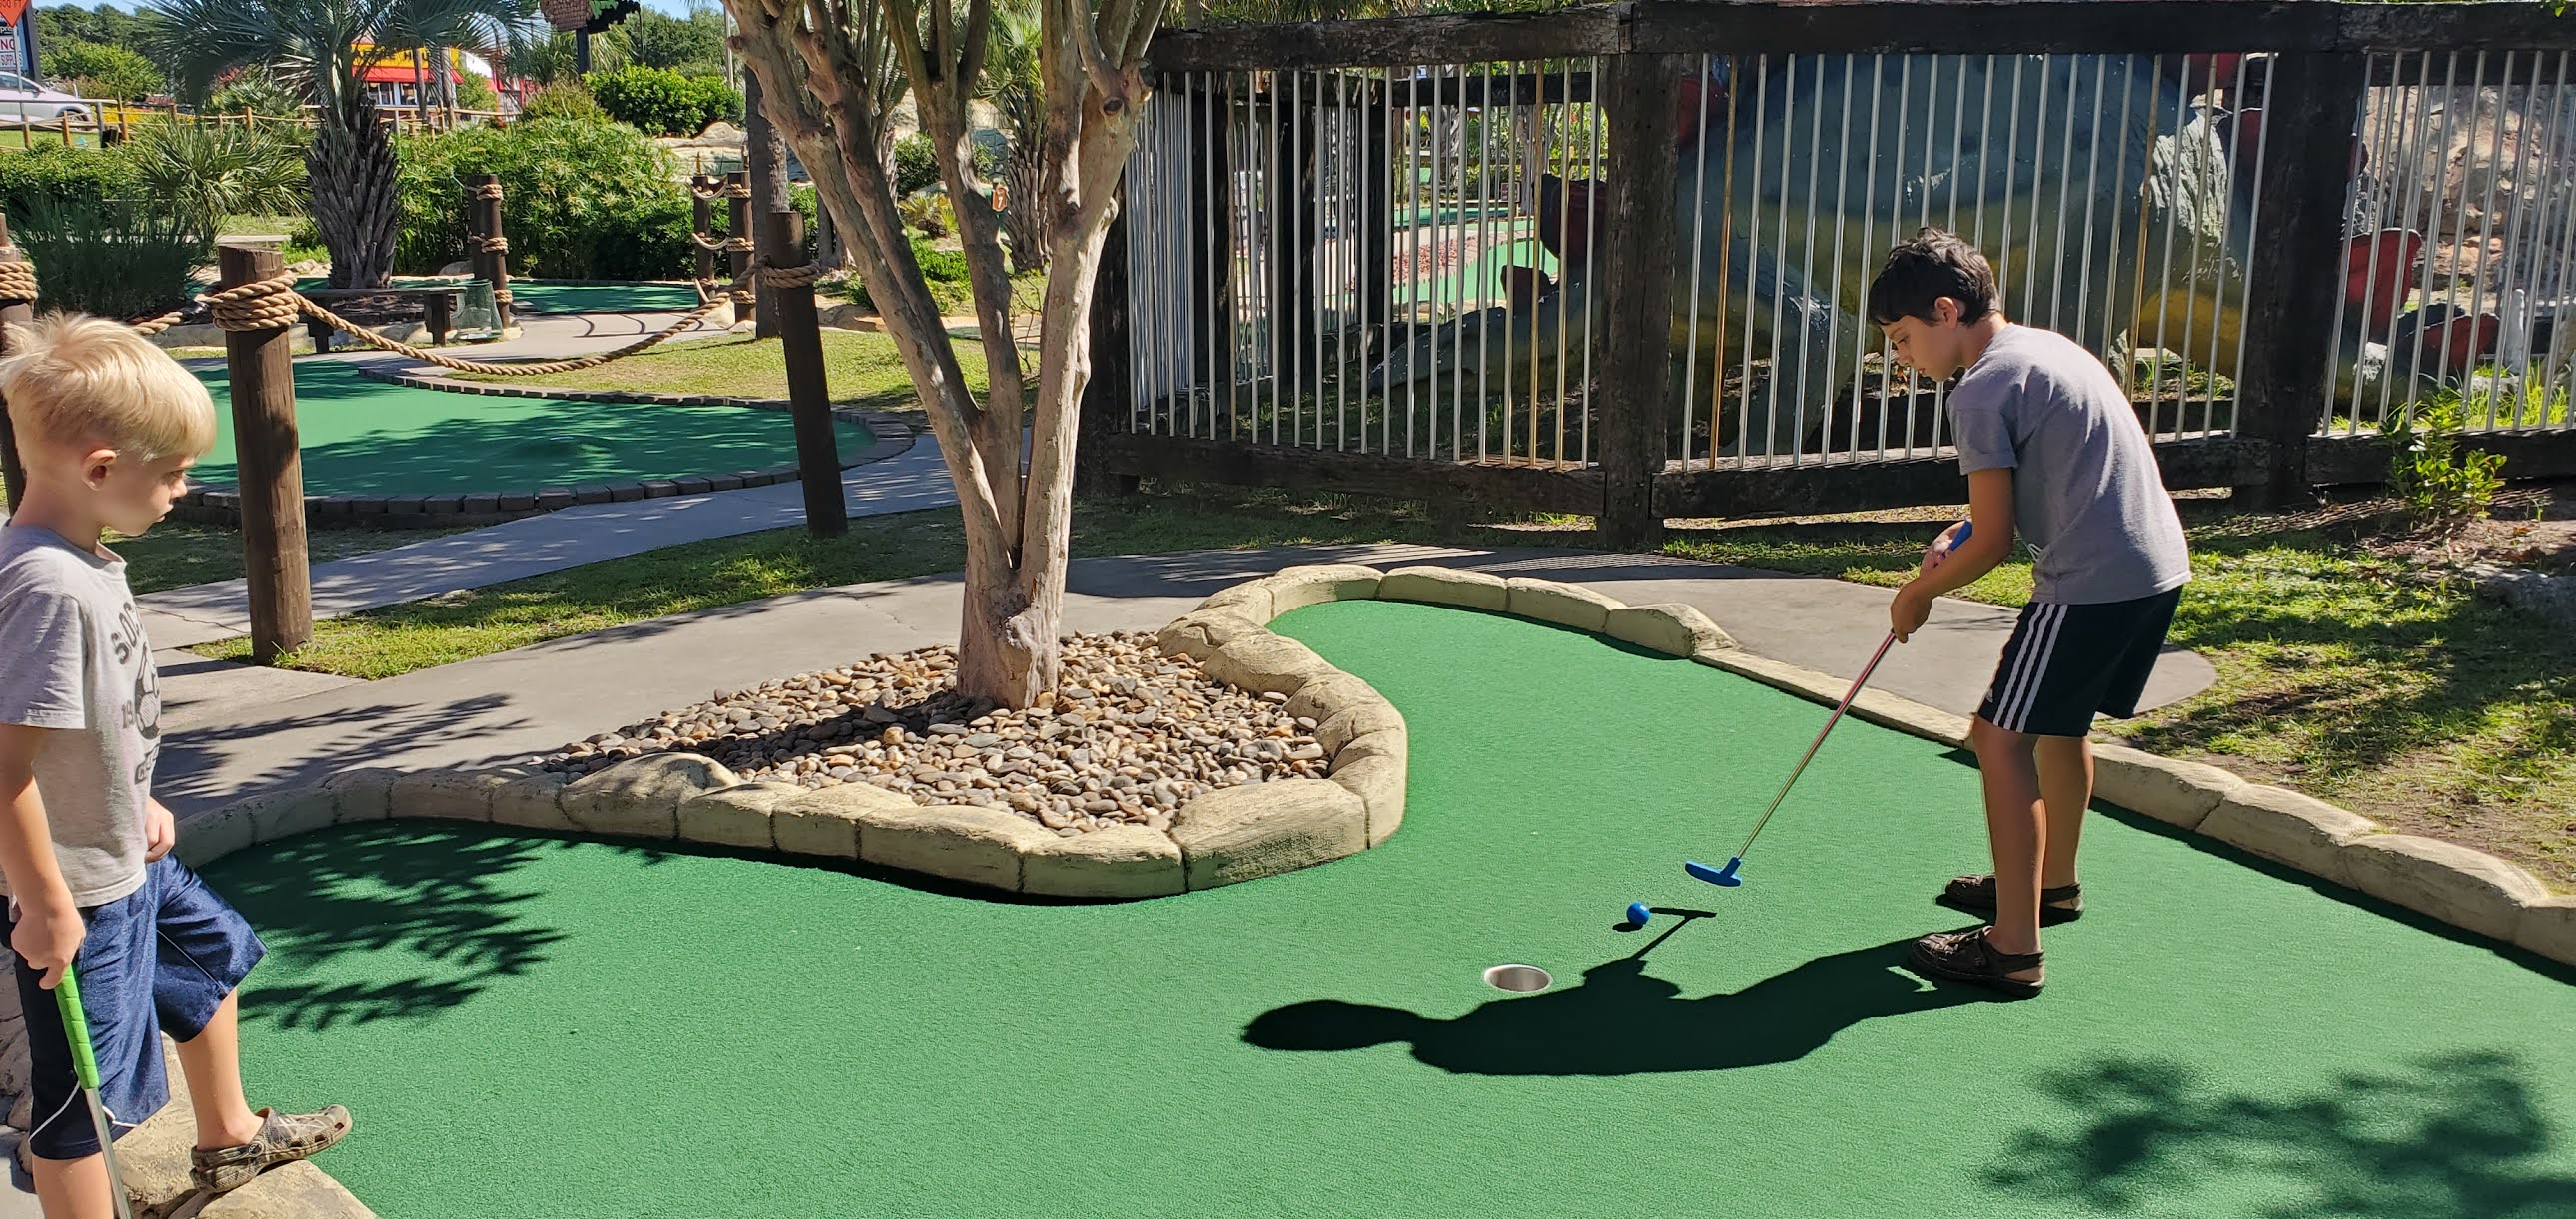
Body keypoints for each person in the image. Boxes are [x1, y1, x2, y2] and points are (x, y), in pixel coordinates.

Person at [0, 314, 350, 1215]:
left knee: (211, 956)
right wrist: (45, 904)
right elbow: (2, 770)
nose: (182, 491)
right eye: (172, 473)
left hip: (124, 853)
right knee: (82, 1104)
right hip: (78, 891)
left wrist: (139, 798)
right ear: (100, 469)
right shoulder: (47, 587)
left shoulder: (82, 559)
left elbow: (90, 726)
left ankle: (228, 1137)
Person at [1868, 229, 2192, 999]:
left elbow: (1996, 541)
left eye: (1903, 337)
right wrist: (1962, 530)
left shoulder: (1979, 390)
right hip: (2154, 569)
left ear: (1947, 311)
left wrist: (1916, 595)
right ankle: (2052, 886)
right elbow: (2016, 501)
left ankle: (2013, 948)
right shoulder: (2046, 349)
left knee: (1998, 739)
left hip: (2090, 581)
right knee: (2060, 729)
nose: (1901, 357)